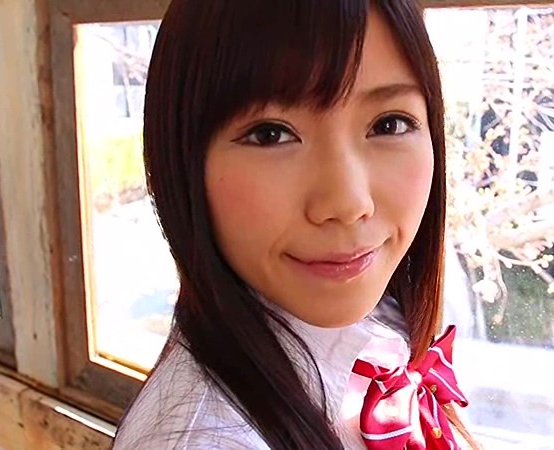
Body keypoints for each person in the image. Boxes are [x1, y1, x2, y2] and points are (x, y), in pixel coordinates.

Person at [112, 0, 480, 448]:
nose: (348, 203)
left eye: (389, 124)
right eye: (271, 134)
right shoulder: (208, 439)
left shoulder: (371, 341)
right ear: (182, 161)